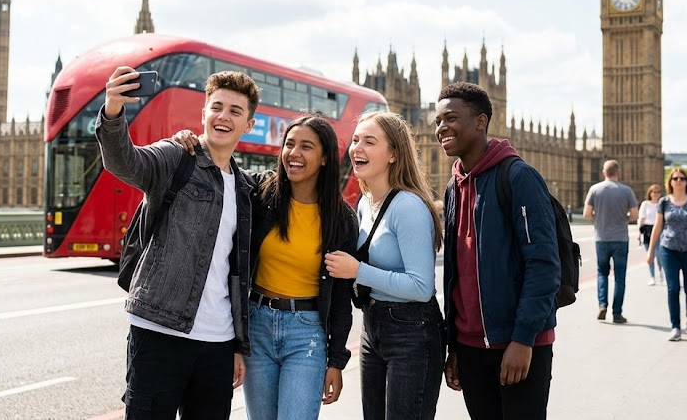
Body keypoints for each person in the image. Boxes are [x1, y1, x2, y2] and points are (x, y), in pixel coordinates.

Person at [96, 67, 258, 419]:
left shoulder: (246, 189)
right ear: (203, 114)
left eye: (235, 111)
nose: (223, 117)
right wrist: (112, 111)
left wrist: (236, 346)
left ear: (249, 124)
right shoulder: (176, 157)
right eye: (216, 107)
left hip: (218, 342)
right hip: (158, 332)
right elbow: (124, 161)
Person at [174, 116, 359, 419]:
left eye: (306, 147)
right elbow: (221, 169)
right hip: (256, 327)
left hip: (306, 335)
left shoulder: (342, 219)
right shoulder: (260, 194)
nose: (293, 153)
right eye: (289, 144)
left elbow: (340, 298)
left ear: (325, 157)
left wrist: (337, 361)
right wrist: (190, 141)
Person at [433, 82, 561, 420]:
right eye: (436, 121)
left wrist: (524, 339)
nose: (441, 127)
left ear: (480, 121)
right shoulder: (453, 188)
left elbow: (544, 265)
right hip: (472, 349)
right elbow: (456, 274)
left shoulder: (519, 177)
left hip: (518, 343)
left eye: (450, 118)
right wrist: (454, 345)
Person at [324, 111, 444, 420]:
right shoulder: (365, 203)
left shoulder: (408, 207)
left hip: (413, 331)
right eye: (355, 140)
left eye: (369, 142)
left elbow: (421, 287)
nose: (357, 148)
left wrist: (357, 271)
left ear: (393, 154)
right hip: (373, 325)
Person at [645, 168, 687, 341]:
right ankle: (675, 326)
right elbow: (658, 227)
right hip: (669, 249)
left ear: (686, 181)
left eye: (682, 178)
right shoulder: (664, 202)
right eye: (675, 178)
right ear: (671, 182)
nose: (679, 181)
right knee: (672, 288)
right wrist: (651, 252)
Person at [583, 160, 638, 323]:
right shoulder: (626, 190)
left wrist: (599, 219)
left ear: (603, 173)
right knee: (619, 277)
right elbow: (634, 215)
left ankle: (602, 305)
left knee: (602, 273)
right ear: (618, 173)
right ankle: (617, 313)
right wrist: (623, 219)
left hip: (601, 238)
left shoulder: (595, 189)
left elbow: (586, 214)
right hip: (621, 238)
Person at [638, 184, 664, 286]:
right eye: (654, 192)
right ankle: (652, 277)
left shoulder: (662, 204)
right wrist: (639, 232)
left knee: (659, 254)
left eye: (658, 192)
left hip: (659, 230)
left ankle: (661, 271)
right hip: (648, 230)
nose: (656, 194)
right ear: (650, 193)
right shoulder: (645, 204)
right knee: (650, 255)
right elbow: (641, 218)